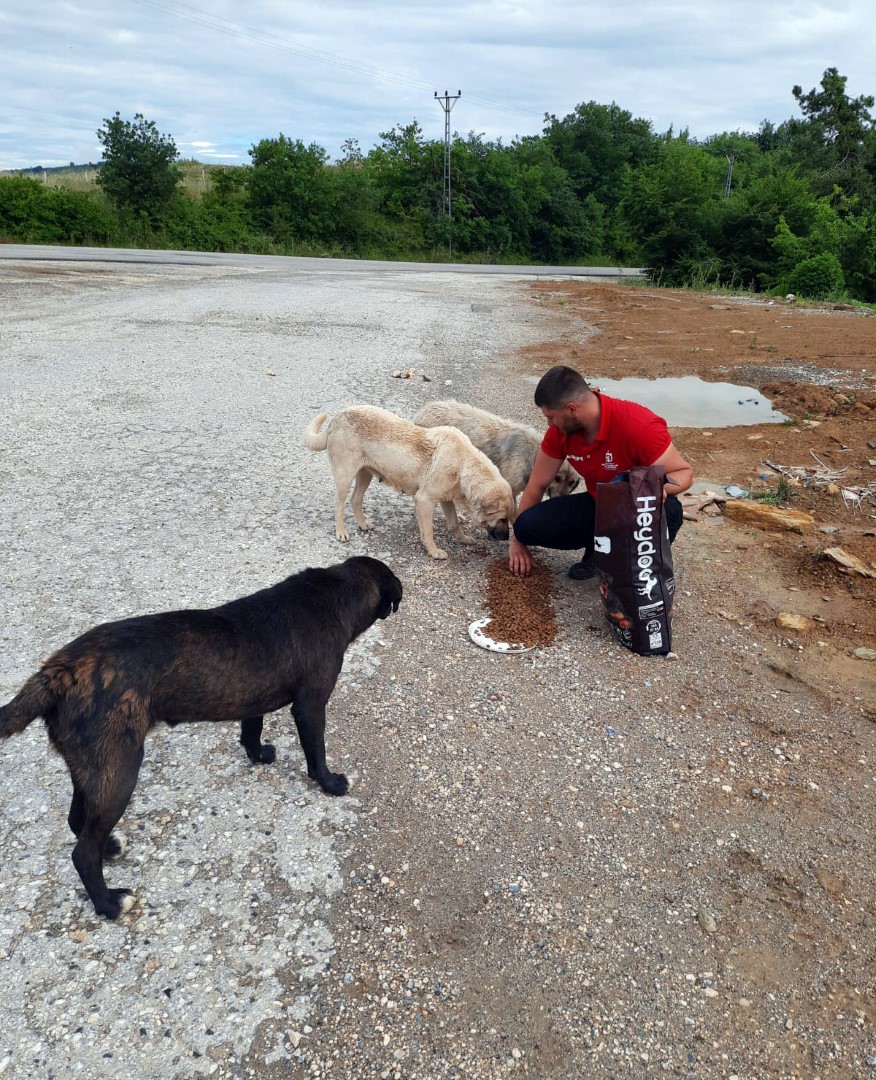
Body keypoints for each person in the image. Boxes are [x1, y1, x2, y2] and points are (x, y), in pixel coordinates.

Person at [509, 365, 694, 578]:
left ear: (571, 409)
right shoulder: (560, 432)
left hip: (637, 509)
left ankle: (631, 564)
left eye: (551, 416)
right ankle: (599, 551)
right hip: (599, 505)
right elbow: (537, 484)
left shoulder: (638, 425)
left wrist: (657, 488)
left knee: (670, 510)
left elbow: (684, 472)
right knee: (526, 525)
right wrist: (518, 540)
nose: (549, 423)